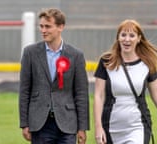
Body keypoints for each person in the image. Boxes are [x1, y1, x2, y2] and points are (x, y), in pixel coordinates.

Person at [19, 8, 89, 144]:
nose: (43, 30)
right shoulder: (30, 53)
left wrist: (82, 127)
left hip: (67, 124)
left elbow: (81, 93)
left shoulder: (76, 55)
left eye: (48, 26)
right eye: (41, 26)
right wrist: (24, 123)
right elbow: (24, 90)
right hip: (40, 124)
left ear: (60, 27)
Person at [94, 19, 157, 144]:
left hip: (138, 126)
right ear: (118, 38)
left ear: (139, 38)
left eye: (132, 35)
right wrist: (98, 127)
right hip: (111, 127)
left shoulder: (147, 64)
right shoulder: (106, 61)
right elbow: (98, 96)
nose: (126, 39)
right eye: (123, 35)